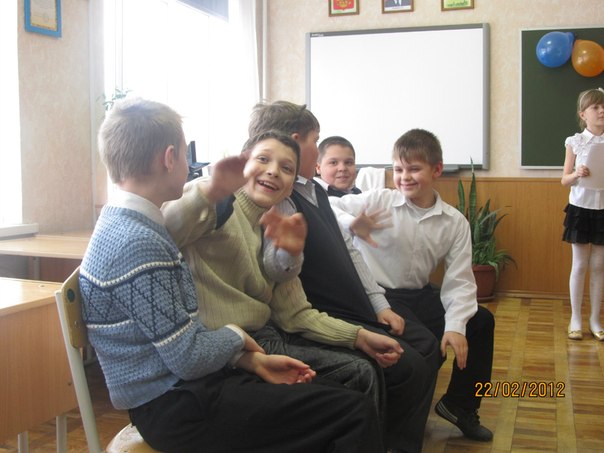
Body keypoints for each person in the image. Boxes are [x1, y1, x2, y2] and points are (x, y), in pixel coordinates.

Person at [79, 98, 385, 453]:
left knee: (342, 401)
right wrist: (238, 337)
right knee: (352, 413)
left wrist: (250, 359)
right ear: (169, 158)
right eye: (185, 154)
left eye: (286, 168)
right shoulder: (140, 240)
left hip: (191, 387)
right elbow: (188, 356)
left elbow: (188, 340)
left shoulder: (130, 225)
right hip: (177, 405)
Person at [249, 101, 441, 453]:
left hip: (359, 304)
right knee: (408, 366)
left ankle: (398, 436)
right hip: (330, 313)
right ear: (295, 141)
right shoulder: (282, 201)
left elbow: (351, 250)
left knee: (427, 345)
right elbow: (280, 273)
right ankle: (387, 439)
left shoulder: (316, 191)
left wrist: (380, 304)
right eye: (316, 140)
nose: (319, 150)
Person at [330, 128, 496, 442]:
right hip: (379, 296)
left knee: (481, 321)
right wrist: (352, 223)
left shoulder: (454, 222)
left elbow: (460, 281)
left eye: (414, 169)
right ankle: (400, 436)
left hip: (418, 295)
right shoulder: (380, 200)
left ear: (436, 169)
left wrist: (456, 325)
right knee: (426, 346)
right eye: (398, 169)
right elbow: (328, 205)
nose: (404, 177)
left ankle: (459, 406)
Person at [561, 87, 604, 342]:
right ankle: (575, 318)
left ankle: (595, 319)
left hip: (603, 209)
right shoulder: (575, 141)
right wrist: (577, 173)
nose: (601, 111)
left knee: (599, 266)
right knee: (580, 264)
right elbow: (564, 179)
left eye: (603, 106)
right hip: (581, 208)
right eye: (595, 107)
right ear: (583, 114)